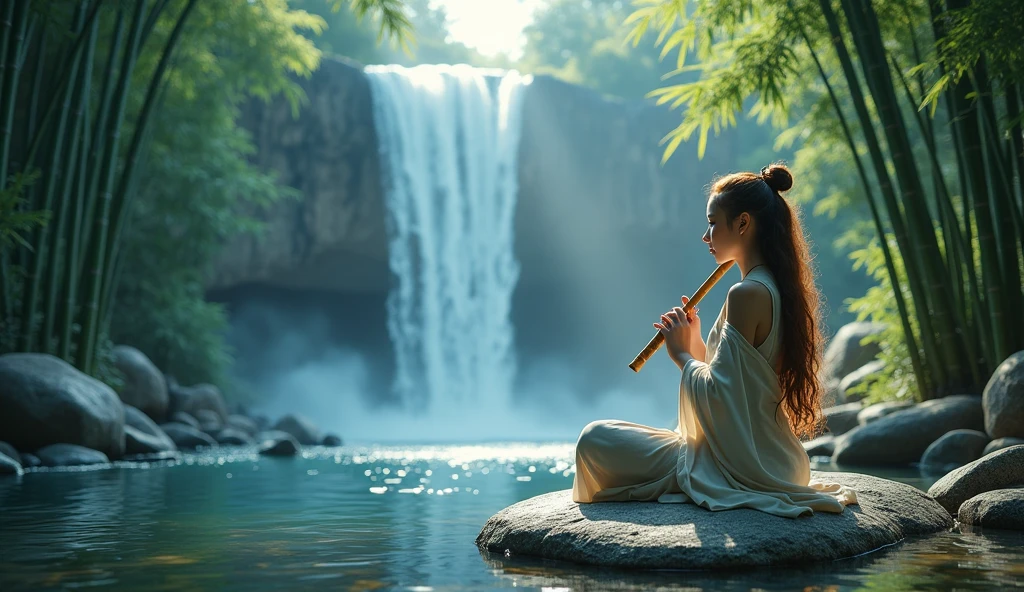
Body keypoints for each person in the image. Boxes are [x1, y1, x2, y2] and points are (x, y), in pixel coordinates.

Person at [572, 163, 857, 518]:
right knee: (606, 434)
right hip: (770, 459)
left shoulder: (747, 293)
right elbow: (736, 391)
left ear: (742, 223)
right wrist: (694, 345)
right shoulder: (772, 286)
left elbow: (724, 400)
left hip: (744, 466)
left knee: (595, 438)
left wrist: (680, 356)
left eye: (712, 222)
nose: (705, 236)